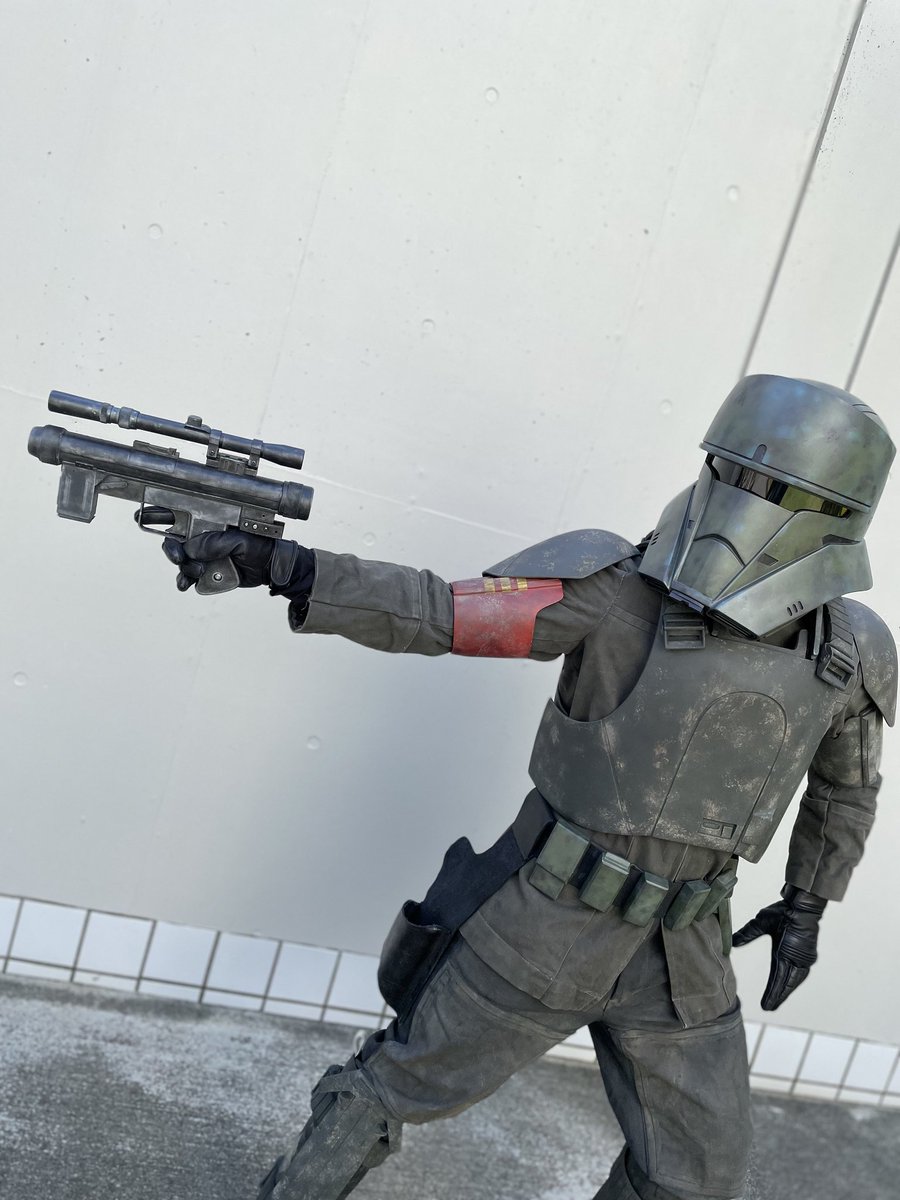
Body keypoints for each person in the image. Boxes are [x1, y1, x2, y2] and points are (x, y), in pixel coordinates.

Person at [164, 374, 896, 1200]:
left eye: (776, 488)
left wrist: (807, 905)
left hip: (685, 951)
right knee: (398, 1085)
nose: (744, 499)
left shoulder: (853, 652)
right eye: (733, 471)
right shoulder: (617, 588)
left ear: (838, 515)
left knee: (700, 1169)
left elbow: (846, 790)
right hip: (547, 922)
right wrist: (290, 567)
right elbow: (443, 612)